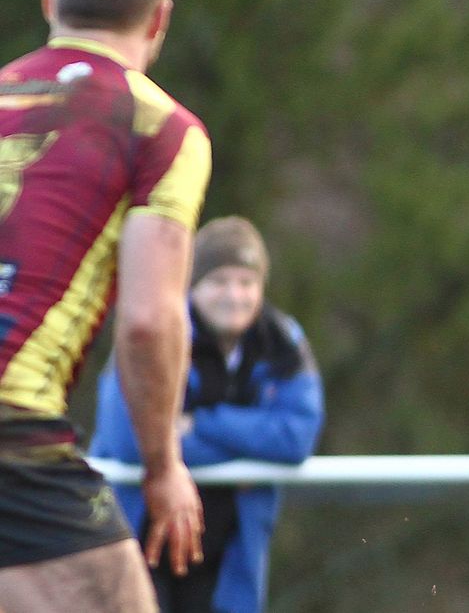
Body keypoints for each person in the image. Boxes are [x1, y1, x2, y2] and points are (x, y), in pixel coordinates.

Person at [0, 0, 210, 611]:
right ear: (159, 19)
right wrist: (162, 467)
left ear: (50, 2)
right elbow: (150, 321)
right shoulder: (159, 128)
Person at [91, 216, 326, 613]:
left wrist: (199, 425)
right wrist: (248, 453)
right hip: (137, 540)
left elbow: (296, 437)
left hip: (230, 554)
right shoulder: (153, 330)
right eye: (219, 281)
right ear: (191, 283)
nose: (234, 295)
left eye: (246, 282)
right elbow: (129, 441)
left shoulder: (284, 341)